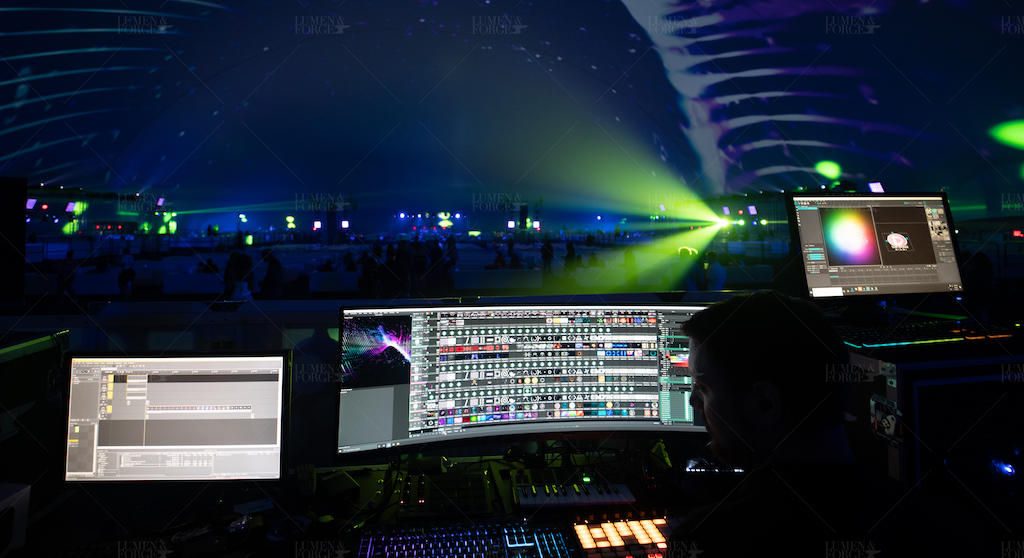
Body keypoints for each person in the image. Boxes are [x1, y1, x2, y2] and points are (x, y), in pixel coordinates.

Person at [672, 292, 995, 556]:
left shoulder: (713, 538)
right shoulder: (951, 525)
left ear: (765, 403)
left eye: (703, 387)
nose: (694, 402)